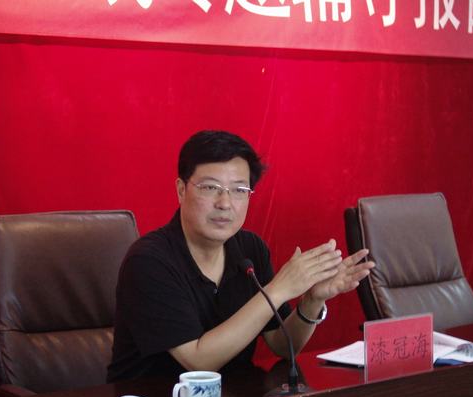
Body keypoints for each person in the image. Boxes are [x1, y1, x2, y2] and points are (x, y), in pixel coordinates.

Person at [107, 130, 373, 382]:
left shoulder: (250, 249)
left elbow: (282, 344)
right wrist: (279, 289)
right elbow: (198, 362)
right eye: (210, 188)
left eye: (239, 190)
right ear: (181, 190)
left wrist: (312, 300)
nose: (225, 203)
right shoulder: (149, 261)